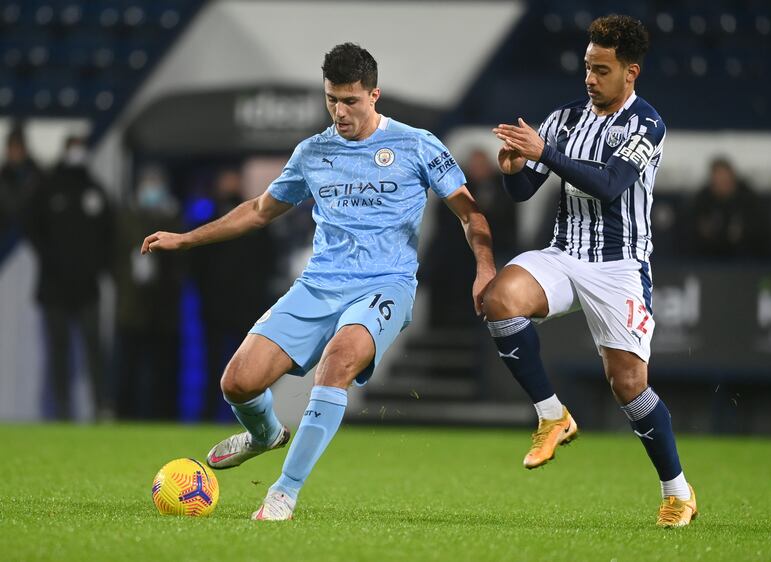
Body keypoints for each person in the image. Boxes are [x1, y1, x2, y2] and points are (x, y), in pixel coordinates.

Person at [141, 43, 495, 521]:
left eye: (350, 100)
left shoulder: (417, 144)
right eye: (332, 99)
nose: (340, 110)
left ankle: (283, 492)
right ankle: (266, 434)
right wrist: (186, 239)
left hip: (385, 284)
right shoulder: (312, 152)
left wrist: (486, 268)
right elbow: (259, 211)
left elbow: (470, 214)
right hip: (319, 284)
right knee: (238, 383)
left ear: (374, 95)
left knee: (337, 364)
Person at [486, 15, 697, 528]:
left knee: (627, 384)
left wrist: (545, 152)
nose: (589, 78)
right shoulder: (563, 119)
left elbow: (609, 184)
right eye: (586, 67)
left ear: (631, 73)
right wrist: (513, 166)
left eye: (601, 70)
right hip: (563, 254)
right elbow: (523, 191)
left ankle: (678, 493)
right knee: (499, 300)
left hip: (620, 267)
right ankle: (552, 414)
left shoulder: (646, 123)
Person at [26, 135, 114, 420]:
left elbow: (110, 235)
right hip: (54, 287)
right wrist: (52, 260)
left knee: (94, 351)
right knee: (58, 351)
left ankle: (101, 406)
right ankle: (61, 409)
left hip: (87, 287)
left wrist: (96, 266)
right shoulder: (48, 189)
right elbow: (31, 226)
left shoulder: (96, 191)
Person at [191, 168, 280, 421]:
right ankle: (208, 415)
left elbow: (268, 262)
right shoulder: (207, 221)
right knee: (212, 366)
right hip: (216, 307)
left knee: (251, 367)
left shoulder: (256, 222)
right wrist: (205, 297)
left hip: (247, 307)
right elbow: (196, 267)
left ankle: (250, 418)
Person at [114, 166, 183, 419]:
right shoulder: (127, 217)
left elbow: (181, 264)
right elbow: (114, 258)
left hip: (163, 307)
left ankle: (163, 416)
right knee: (129, 367)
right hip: (132, 307)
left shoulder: (173, 217)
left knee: (162, 369)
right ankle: (125, 416)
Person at [688, 157, 771, 260]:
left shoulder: (748, 198)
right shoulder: (703, 198)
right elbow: (693, 225)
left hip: (745, 258)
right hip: (710, 257)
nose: (722, 184)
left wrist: (743, 232)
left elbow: (760, 230)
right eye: (718, 181)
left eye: (725, 180)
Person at [0, 125, 42, 259]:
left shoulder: (37, 176)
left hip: (32, 241)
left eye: (18, 147)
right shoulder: (3, 177)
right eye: (12, 148)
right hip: (6, 240)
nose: (15, 152)